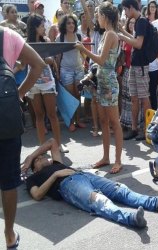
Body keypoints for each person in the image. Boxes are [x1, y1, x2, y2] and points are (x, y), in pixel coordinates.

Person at [21, 138, 158, 229]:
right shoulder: (34, 178)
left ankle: (156, 203)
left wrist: (30, 156)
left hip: (84, 175)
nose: (41, 157)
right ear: (34, 169)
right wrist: (55, 175)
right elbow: (37, 195)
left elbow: (52, 141)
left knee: (120, 189)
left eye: (41, 156)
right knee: (99, 201)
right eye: (37, 160)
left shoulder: (56, 161)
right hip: (67, 186)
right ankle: (131, 218)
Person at [0, 26, 45, 249]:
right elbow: (39, 65)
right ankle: (9, 234)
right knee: (8, 182)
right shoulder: (7, 35)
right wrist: (18, 94)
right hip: (6, 116)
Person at [75, 2, 124, 174]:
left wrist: (83, 49)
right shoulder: (104, 35)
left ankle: (117, 160)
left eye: (98, 15)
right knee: (104, 121)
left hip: (109, 82)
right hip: (102, 82)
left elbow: (102, 61)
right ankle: (106, 157)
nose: (97, 18)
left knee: (114, 122)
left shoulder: (111, 34)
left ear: (105, 16)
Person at [26, 14, 65, 152]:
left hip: (47, 81)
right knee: (39, 116)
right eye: (42, 26)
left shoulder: (46, 40)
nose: (44, 28)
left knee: (52, 114)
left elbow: (50, 60)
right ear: (35, 27)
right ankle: (42, 147)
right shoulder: (26, 43)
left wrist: (46, 61)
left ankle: (58, 145)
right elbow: (27, 61)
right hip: (32, 81)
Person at [120, 0, 152, 140]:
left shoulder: (142, 22)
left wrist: (122, 36)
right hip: (134, 65)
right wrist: (121, 30)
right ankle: (134, 128)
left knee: (144, 99)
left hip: (141, 66)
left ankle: (147, 130)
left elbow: (138, 44)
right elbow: (135, 40)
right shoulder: (138, 22)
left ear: (131, 8)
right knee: (134, 98)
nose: (126, 13)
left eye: (126, 10)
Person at [57, 14, 86, 132]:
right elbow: (58, 56)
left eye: (73, 23)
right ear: (64, 25)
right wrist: (58, 71)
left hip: (79, 69)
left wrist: (85, 63)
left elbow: (83, 52)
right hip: (66, 70)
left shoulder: (79, 35)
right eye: (68, 23)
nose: (71, 25)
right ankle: (70, 122)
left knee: (78, 96)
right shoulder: (60, 38)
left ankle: (78, 120)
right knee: (70, 97)